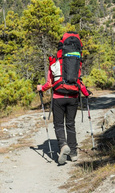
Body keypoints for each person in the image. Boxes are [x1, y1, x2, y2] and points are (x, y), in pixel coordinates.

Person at [37, 36, 90, 165]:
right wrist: (86, 93)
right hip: (73, 97)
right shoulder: (76, 61)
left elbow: (49, 83)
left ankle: (63, 145)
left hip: (58, 97)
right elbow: (78, 80)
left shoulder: (55, 62)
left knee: (59, 124)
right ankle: (73, 153)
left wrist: (41, 88)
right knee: (70, 124)